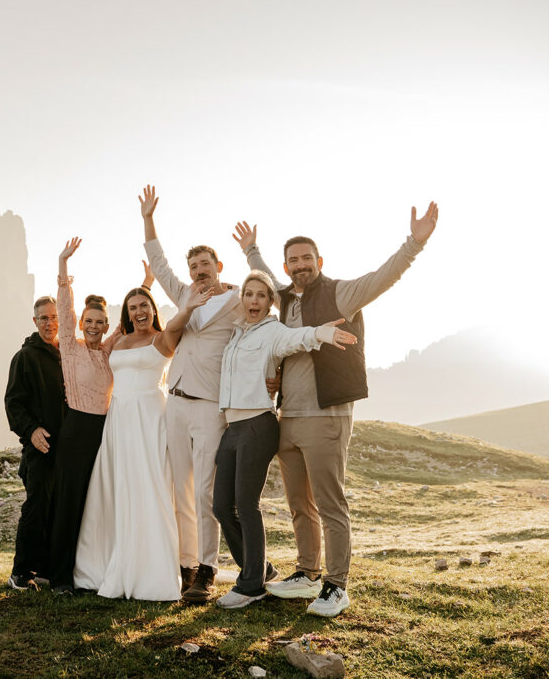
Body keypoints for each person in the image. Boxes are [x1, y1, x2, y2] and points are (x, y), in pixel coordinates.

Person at [232, 201, 439, 617]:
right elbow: (267, 277)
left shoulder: (341, 293)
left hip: (327, 415)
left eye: (306, 258)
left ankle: (336, 585)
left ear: (319, 261)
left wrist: (413, 243)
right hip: (288, 417)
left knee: (329, 504)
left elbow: (383, 278)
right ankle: (308, 573)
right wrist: (251, 251)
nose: (300, 265)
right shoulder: (284, 298)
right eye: (293, 260)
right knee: (298, 504)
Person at [212, 270, 357, 609]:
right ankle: (260, 569)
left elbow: (300, 338)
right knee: (221, 505)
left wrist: (322, 332)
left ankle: (251, 586)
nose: (254, 300)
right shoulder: (235, 332)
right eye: (249, 294)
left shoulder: (274, 331)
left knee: (246, 506)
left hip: (257, 425)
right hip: (231, 427)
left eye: (262, 295)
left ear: (269, 302)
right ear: (242, 298)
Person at [73, 280, 213, 601]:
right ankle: (106, 562)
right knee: (119, 487)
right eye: (133, 307)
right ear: (127, 312)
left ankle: (154, 568)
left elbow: (177, 322)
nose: (139, 311)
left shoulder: (163, 338)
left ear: (153, 310)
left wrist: (187, 306)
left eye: (145, 306)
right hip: (119, 419)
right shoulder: (120, 339)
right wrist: (144, 285)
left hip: (150, 418)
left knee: (151, 486)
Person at [141, 184, 243, 604]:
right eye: (194, 265)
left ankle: (207, 569)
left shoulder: (238, 300)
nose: (200, 270)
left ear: (218, 265)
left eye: (205, 264)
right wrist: (148, 218)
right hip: (176, 403)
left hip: (209, 408)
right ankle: (183, 564)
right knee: (177, 487)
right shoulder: (182, 294)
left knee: (205, 490)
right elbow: (158, 263)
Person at [47, 237, 151, 595]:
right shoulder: (70, 348)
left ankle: (90, 569)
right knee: (69, 503)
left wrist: (147, 284)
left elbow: (131, 323)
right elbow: (64, 309)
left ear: (106, 326)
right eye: (89, 320)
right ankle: (59, 578)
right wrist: (63, 265)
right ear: (81, 323)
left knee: (97, 504)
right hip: (76, 431)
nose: (94, 326)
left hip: (105, 432)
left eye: (100, 322)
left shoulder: (108, 350)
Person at [3, 295, 66, 590]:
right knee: (36, 508)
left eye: (54, 317)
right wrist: (31, 431)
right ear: (35, 321)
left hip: (66, 447)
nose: (49, 323)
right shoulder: (24, 358)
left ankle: (45, 569)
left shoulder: (68, 352)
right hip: (38, 448)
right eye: (43, 318)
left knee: (57, 510)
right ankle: (20, 572)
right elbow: (13, 404)